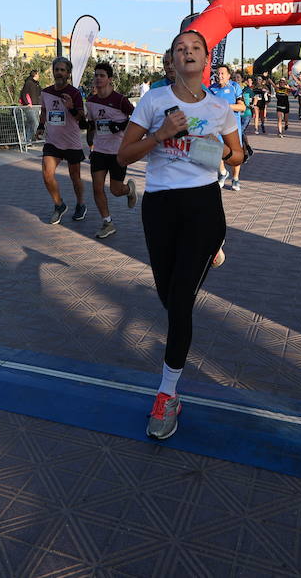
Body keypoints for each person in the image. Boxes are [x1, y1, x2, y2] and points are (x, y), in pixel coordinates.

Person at [117, 29, 243, 441]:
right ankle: (211, 253)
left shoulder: (219, 107)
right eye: (179, 49)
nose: (187, 54)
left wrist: (219, 150)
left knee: (182, 304)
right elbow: (123, 154)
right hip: (160, 207)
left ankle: (167, 395)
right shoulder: (154, 101)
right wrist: (161, 134)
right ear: (171, 60)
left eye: (194, 49)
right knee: (168, 298)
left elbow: (238, 154)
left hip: (204, 206)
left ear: (206, 58)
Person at [85, 62, 139, 238]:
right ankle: (107, 223)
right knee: (97, 187)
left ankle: (129, 190)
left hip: (118, 151)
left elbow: (137, 118)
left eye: (102, 75)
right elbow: (92, 124)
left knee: (115, 190)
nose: (98, 79)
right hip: (99, 151)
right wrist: (90, 144)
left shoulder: (120, 100)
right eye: (96, 75)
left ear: (109, 79)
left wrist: (121, 125)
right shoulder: (91, 101)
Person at [38, 56, 88, 224]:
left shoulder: (74, 93)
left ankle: (81, 204)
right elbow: (44, 111)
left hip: (71, 141)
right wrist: (40, 127)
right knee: (47, 174)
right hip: (52, 141)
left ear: (68, 73)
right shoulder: (45, 92)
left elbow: (81, 119)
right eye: (56, 69)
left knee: (75, 177)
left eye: (62, 70)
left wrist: (71, 107)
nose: (58, 73)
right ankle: (59, 204)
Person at [208, 64, 246, 191]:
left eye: (223, 73)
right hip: (217, 126)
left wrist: (225, 106)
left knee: (236, 154)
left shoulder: (235, 87)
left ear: (229, 76)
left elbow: (242, 107)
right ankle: (223, 173)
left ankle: (235, 179)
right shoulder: (211, 89)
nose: (220, 76)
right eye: (218, 74)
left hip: (233, 127)